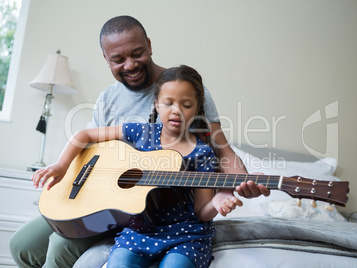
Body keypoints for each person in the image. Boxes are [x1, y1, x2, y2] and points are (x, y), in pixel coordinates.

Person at [9, 15, 269, 268]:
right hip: (92, 192)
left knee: (58, 249)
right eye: (118, 59)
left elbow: (221, 148)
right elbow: (90, 145)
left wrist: (241, 182)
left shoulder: (183, 89)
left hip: (136, 211)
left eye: (137, 54)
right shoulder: (108, 98)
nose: (130, 65)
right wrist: (62, 166)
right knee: (21, 245)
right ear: (106, 60)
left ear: (150, 45)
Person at [32, 65, 242, 268]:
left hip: (185, 235)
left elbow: (201, 211)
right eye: (168, 103)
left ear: (198, 109)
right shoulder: (142, 132)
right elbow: (85, 135)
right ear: (156, 104)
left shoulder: (203, 153)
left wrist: (217, 201)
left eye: (186, 105)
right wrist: (62, 165)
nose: (176, 111)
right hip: (140, 230)